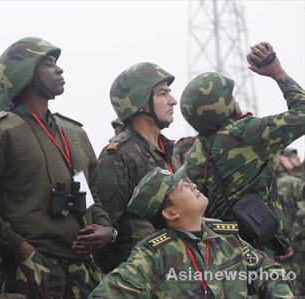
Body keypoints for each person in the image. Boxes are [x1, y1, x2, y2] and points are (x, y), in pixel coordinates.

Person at [0, 36, 113, 298]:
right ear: (25, 73)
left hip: (84, 269)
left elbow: (93, 195)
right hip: (32, 269)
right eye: (48, 63)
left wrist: (106, 229)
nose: (59, 69)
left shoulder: (74, 132)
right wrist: (20, 246)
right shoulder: (2, 131)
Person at [89, 165, 294, 298]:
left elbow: (267, 271)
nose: (192, 185)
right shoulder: (154, 254)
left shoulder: (225, 237)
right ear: (170, 213)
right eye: (182, 187)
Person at [180, 42, 305, 258]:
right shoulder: (245, 134)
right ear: (220, 105)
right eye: (230, 97)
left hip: (221, 253)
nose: (235, 100)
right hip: (259, 248)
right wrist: (278, 73)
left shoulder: (194, 153)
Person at [95, 62, 179, 272]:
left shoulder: (170, 150)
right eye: (162, 94)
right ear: (140, 103)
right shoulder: (117, 156)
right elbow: (109, 232)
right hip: (143, 276)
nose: (173, 100)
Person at [275, 150, 305, 295]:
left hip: (280, 247)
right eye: (291, 157)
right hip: (297, 246)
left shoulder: (268, 183)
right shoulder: (295, 183)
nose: (297, 158)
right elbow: (302, 214)